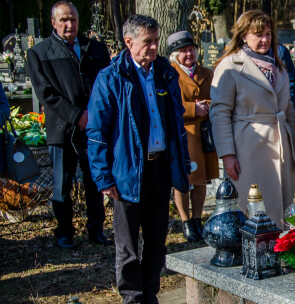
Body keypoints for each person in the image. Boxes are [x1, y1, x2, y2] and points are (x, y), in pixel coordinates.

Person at [86, 14, 191, 303]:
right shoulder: (111, 78)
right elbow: (97, 131)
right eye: (148, 42)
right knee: (128, 246)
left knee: (157, 241)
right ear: (128, 42)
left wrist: (180, 166)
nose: (155, 47)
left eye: (157, 41)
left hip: (160, 168)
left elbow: (176, 124)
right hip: (128, 172)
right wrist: (103, 178)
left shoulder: (165, 73)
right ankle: (132, 298)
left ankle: (150, 295)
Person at [26, 1, 111, 249]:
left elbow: (105, 84)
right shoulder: (40, 53)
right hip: (63, 129)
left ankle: (96, 229)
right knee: (62, 185)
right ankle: (64, 232)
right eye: (63, 20)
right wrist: (77, 115)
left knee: (95, 181)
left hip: (93, 127)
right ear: (53, 22)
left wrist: (95, 115)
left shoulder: (94, 48)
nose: (70, 24)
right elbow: (47, 94)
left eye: (73, 19)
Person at [209, 10, 295, 229]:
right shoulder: (230, 66)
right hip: (248, 147)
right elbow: (220, 112)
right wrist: (227, 154)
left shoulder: (278, 65)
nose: (265, 40)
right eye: (258, 34)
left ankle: (281, 250)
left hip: (281, 144)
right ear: (243, 36)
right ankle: (255, 254)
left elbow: (288, 108)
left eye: (268, 34)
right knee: (255, 207)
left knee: (283, 206)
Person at [166, 31, 219, 242]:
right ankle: (186, 221)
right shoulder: (169, 74)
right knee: (183, 180)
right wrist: (191, 109)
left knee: (201, 180)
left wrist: (206, 106)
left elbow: (217, 97)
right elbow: (168, 105)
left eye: (191, 49)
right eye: (183, 51)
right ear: (174, 55)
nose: (189, 54)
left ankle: (198, 219)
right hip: (183, 134)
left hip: (204, 135)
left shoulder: (206, 72)